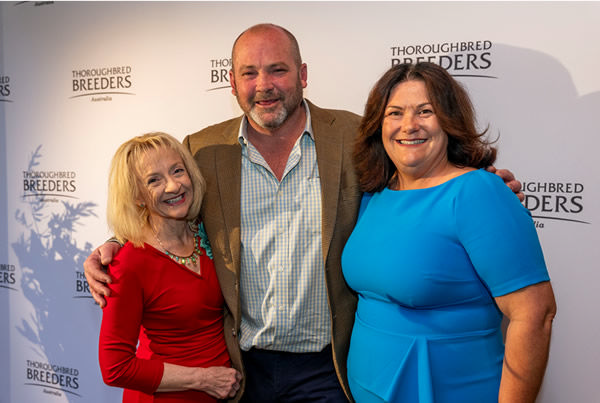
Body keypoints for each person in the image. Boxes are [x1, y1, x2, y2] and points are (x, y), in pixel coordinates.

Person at [84, 24, 523, 402]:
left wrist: (481, 185)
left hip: (329, 367)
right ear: (232, 82)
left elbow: (420, 172)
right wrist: (115, 243)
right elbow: (167, 203)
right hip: (240, 366)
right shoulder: (202, 148)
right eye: (249, 73)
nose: (264, 84)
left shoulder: (353, 135)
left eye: (278, 69)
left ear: (303, 75)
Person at [341, 62, 557, 403]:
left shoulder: (478, 192)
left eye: (425, 111)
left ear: (449, 120)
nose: (409, 125)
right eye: (394, 113)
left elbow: (534, 314)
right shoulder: (375, 194)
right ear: (378, 126)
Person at [98, 132, 241, 402]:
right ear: (137, 195)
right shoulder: (128, 263)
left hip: (225, 394)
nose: (174, 186)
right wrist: (204, 378)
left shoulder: (206, 232)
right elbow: (115, 367)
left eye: (178, 171)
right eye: (154, 180)